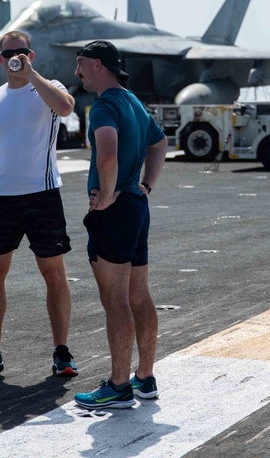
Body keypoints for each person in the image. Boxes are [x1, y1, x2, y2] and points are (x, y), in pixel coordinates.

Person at [0, 30, 79, 378]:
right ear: (0, 59)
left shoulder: (46, 87)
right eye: (9, 53)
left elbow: (67, 107)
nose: (16, 57)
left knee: (53, 272)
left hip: (42, 196)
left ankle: (61, 351)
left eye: (23, 51)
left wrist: (31, 76)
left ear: (31, 55)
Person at [72, 40, 167, 410]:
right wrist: (145, 186)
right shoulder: (133, 101)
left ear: (97, 65)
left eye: (80, 64)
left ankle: (117, 386)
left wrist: (108, 195)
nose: (76, 72)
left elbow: (107, 154)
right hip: (137, 207)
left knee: (115, 302)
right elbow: (159, 144)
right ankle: (144, 379)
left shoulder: (105, 105)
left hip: (115, 211)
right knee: (139, 295)